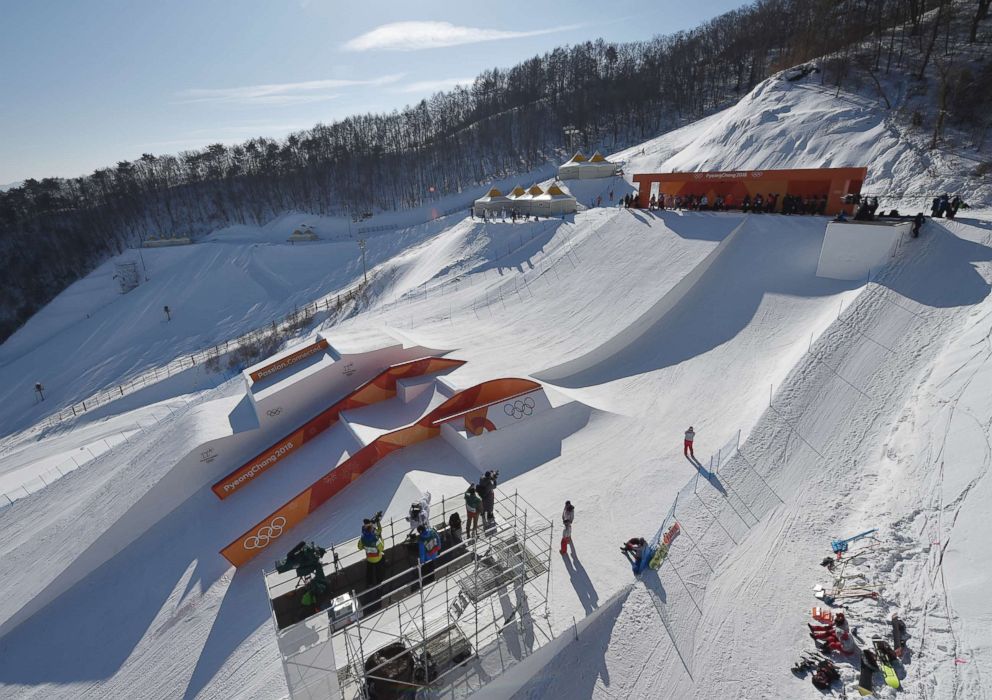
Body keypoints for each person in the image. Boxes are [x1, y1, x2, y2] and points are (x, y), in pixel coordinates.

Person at [359, 515, 385, 590]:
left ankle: (369, 584)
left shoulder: (363, 538)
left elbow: (359, 547)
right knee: (378, 572)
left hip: (369, 558)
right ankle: (378, 585)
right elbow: (382, 547)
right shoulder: (375, 538)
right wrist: (381, 539)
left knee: (369, 572)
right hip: (377, 558)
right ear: (371, 530)